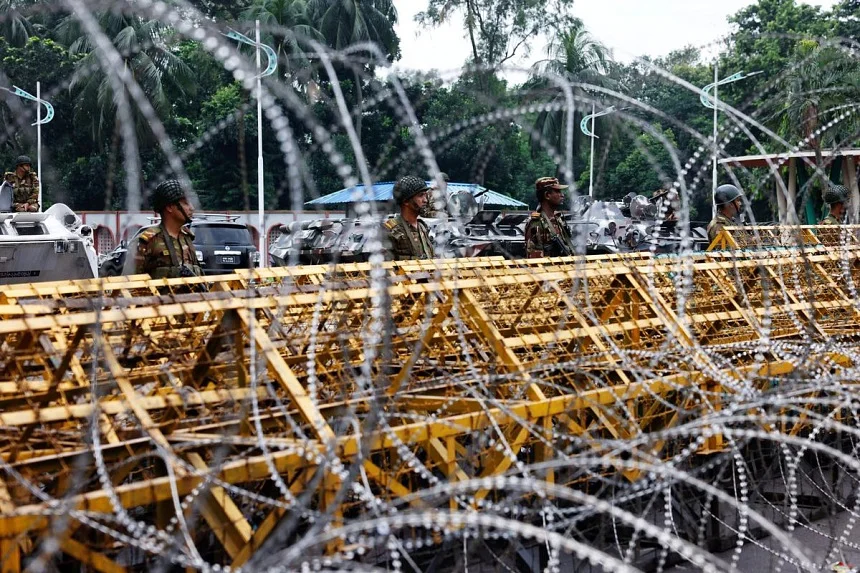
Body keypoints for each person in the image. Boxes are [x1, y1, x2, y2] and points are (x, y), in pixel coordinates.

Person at [128, 179, 203, 278]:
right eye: (186, 203)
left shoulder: (187, 238)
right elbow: (130, 284)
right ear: (169, 207)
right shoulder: (148, 241)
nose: (192, 208)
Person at [382, 175, 434, 260]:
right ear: (406, 201)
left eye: (425, 196)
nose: (425, 200)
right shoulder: (391, 229)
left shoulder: (422, 227)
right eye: (421, 196)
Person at [524, 177, 575, 258]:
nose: (562, 195)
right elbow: (535, 260)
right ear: (547, 195)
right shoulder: (536, 223)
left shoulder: (558, 219)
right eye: (557, 191)